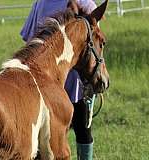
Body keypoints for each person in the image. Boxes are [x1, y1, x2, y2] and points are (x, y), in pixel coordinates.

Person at [20, 0, 97, 159]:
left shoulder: (42, 3)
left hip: (55, 81)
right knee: (80, 130)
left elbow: (29, 42)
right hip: (61, 82)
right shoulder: (85, 4)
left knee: (44, 135)